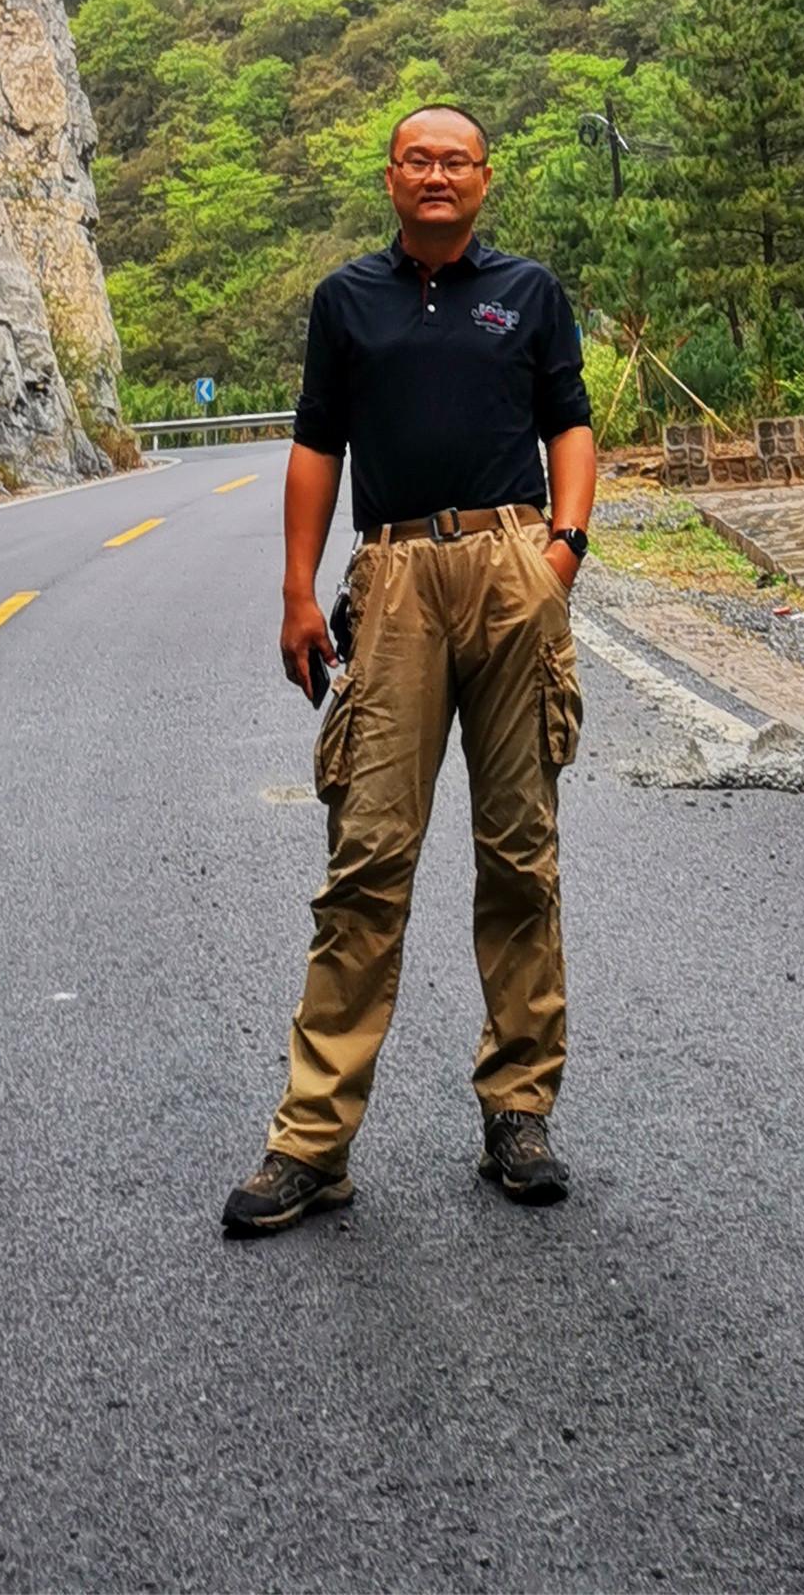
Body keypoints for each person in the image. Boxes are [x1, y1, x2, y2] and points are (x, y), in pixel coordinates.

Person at [219, 102, 598, 1237]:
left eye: (457, 161)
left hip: (512, 563)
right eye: (418, 160)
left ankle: (519, 1108)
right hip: (390, 579)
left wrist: (563, 549)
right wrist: (298, 588)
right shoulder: (348, 301)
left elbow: (569, 423)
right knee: (367, 858)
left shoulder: (528, 292)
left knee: (520, 853)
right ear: (391, 177)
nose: (438, 176)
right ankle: (313, 1140)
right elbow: (315, 446)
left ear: (486, 177)